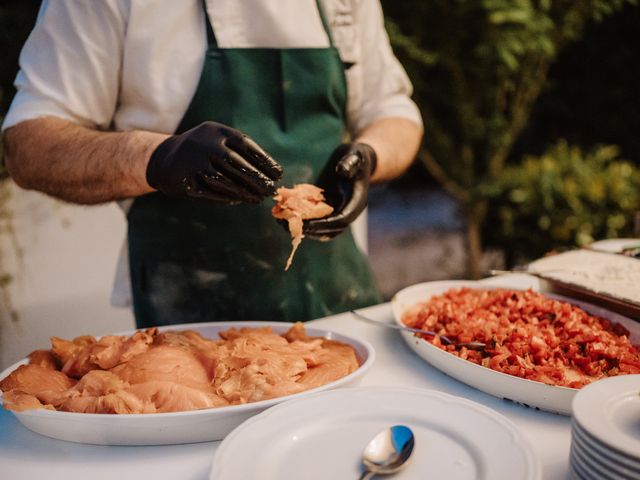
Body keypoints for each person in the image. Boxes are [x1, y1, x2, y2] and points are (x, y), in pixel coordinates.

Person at [2, 0, 423, 328]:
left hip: (340, 301)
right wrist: (156, 157)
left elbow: (392, 110)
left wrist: (369, 156)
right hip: (193, 322)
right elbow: (28, 145)